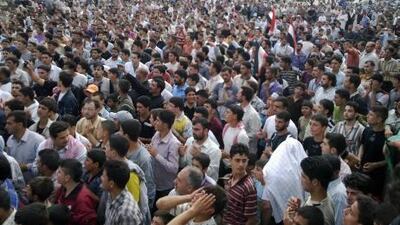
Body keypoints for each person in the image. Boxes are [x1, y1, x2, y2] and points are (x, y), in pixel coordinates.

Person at [262, 134, 308, 224]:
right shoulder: (303, 173)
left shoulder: (271, 170)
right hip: (300, 218)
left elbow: (266, 205)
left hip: (278, 218)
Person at [287, 156, 335, 225]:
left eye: (303, 176)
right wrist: (300, 210)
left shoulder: (321, 217)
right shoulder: (321, 196)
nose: (300, 179)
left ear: (315, 182)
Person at [119, 119, 156, 208]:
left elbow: (149, 184)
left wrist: (146, 207)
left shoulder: (144, 158)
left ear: (126, 136)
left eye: (120, 131)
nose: (118, 133)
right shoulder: (123, 148)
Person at [149, 109, 181, 203]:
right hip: (153, 182)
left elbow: (174, 168)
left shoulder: (173, 143)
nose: (155, 122)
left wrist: (156, 155)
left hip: (165, 188)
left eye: (158, 120)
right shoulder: (156, 135)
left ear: (166, 125)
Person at [54, 159, 97, 225]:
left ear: (67, 178)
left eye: (59, 172)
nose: (56, 173)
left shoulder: (83, 199)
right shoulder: (63, 188)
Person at [5, 110, 45, 181]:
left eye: (9, 124)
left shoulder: (38, 141)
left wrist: (26, 167)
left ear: (20, 125)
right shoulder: (10, 139)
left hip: (33, 186)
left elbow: (42, 166)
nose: (6, 127)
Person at [223, 143, 257, 225]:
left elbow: (251, 220)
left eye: (244, 161)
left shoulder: (248, 187)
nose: (241, 164)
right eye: (237, 160)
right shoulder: (229, 178)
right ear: (230, 160)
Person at [101, 160, 143, 225]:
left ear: (111, 184)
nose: (101, 178)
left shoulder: (126, 213)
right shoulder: (111, 193)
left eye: (103, 176)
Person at [359, 105, 388, 198]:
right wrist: (359, 158)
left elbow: (390, 159)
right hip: (362, 170)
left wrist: (375, 165)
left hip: (377, 175)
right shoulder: (367, 130)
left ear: (379, 119)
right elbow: (362, 145)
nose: (367, 116)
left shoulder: (387, 136)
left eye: (371, 115)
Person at [324, 155, 348, 225]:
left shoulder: (338, 194)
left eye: (326, 170)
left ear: (336, 172)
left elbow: (338, 221)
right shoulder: (327, 185)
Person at [237, 86, 261, 153]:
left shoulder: (253, 114)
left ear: (243, 97)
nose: (236, 94)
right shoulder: (236, 107)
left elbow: (254, 134)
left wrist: (239, 137)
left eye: (239, 93)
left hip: (248, 150)